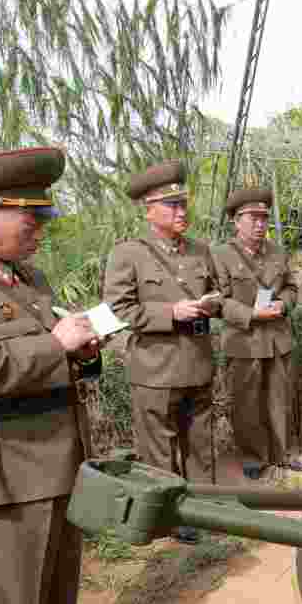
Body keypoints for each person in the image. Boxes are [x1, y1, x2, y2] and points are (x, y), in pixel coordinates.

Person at [0, 146, 100, 604]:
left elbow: (46, 359)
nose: (41, 229)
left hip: (59, 461)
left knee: (58, 593)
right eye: (30, 218)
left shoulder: (29, 280)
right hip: (10, 475)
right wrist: (54, 346)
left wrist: (82, 352)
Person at [104, 159, 222, 544]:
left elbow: (219, 293)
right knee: (159, 450)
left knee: (200, 444)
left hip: (198, 364)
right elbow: (118, 310)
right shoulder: (128, 254)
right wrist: (171, 312)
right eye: (171, 205)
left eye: (183, 204)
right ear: (148, 209)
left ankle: (204, 507)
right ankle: (169, 517)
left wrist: (210, 304)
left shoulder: (202, 251)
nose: (181, 211)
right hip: (155, 369)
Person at [211, 188, 302, 481]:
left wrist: (284, 303)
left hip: (278, 338)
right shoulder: (220, 255)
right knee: (246, 402)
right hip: (244, 340)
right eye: (253, 218)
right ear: (236, 222)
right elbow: (216, 300)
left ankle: (284, 454)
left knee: (281, 398)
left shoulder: (277, 251)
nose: (260, 224)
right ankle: (253, 455)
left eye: (264, 218)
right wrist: (250, 314)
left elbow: (290, 287)